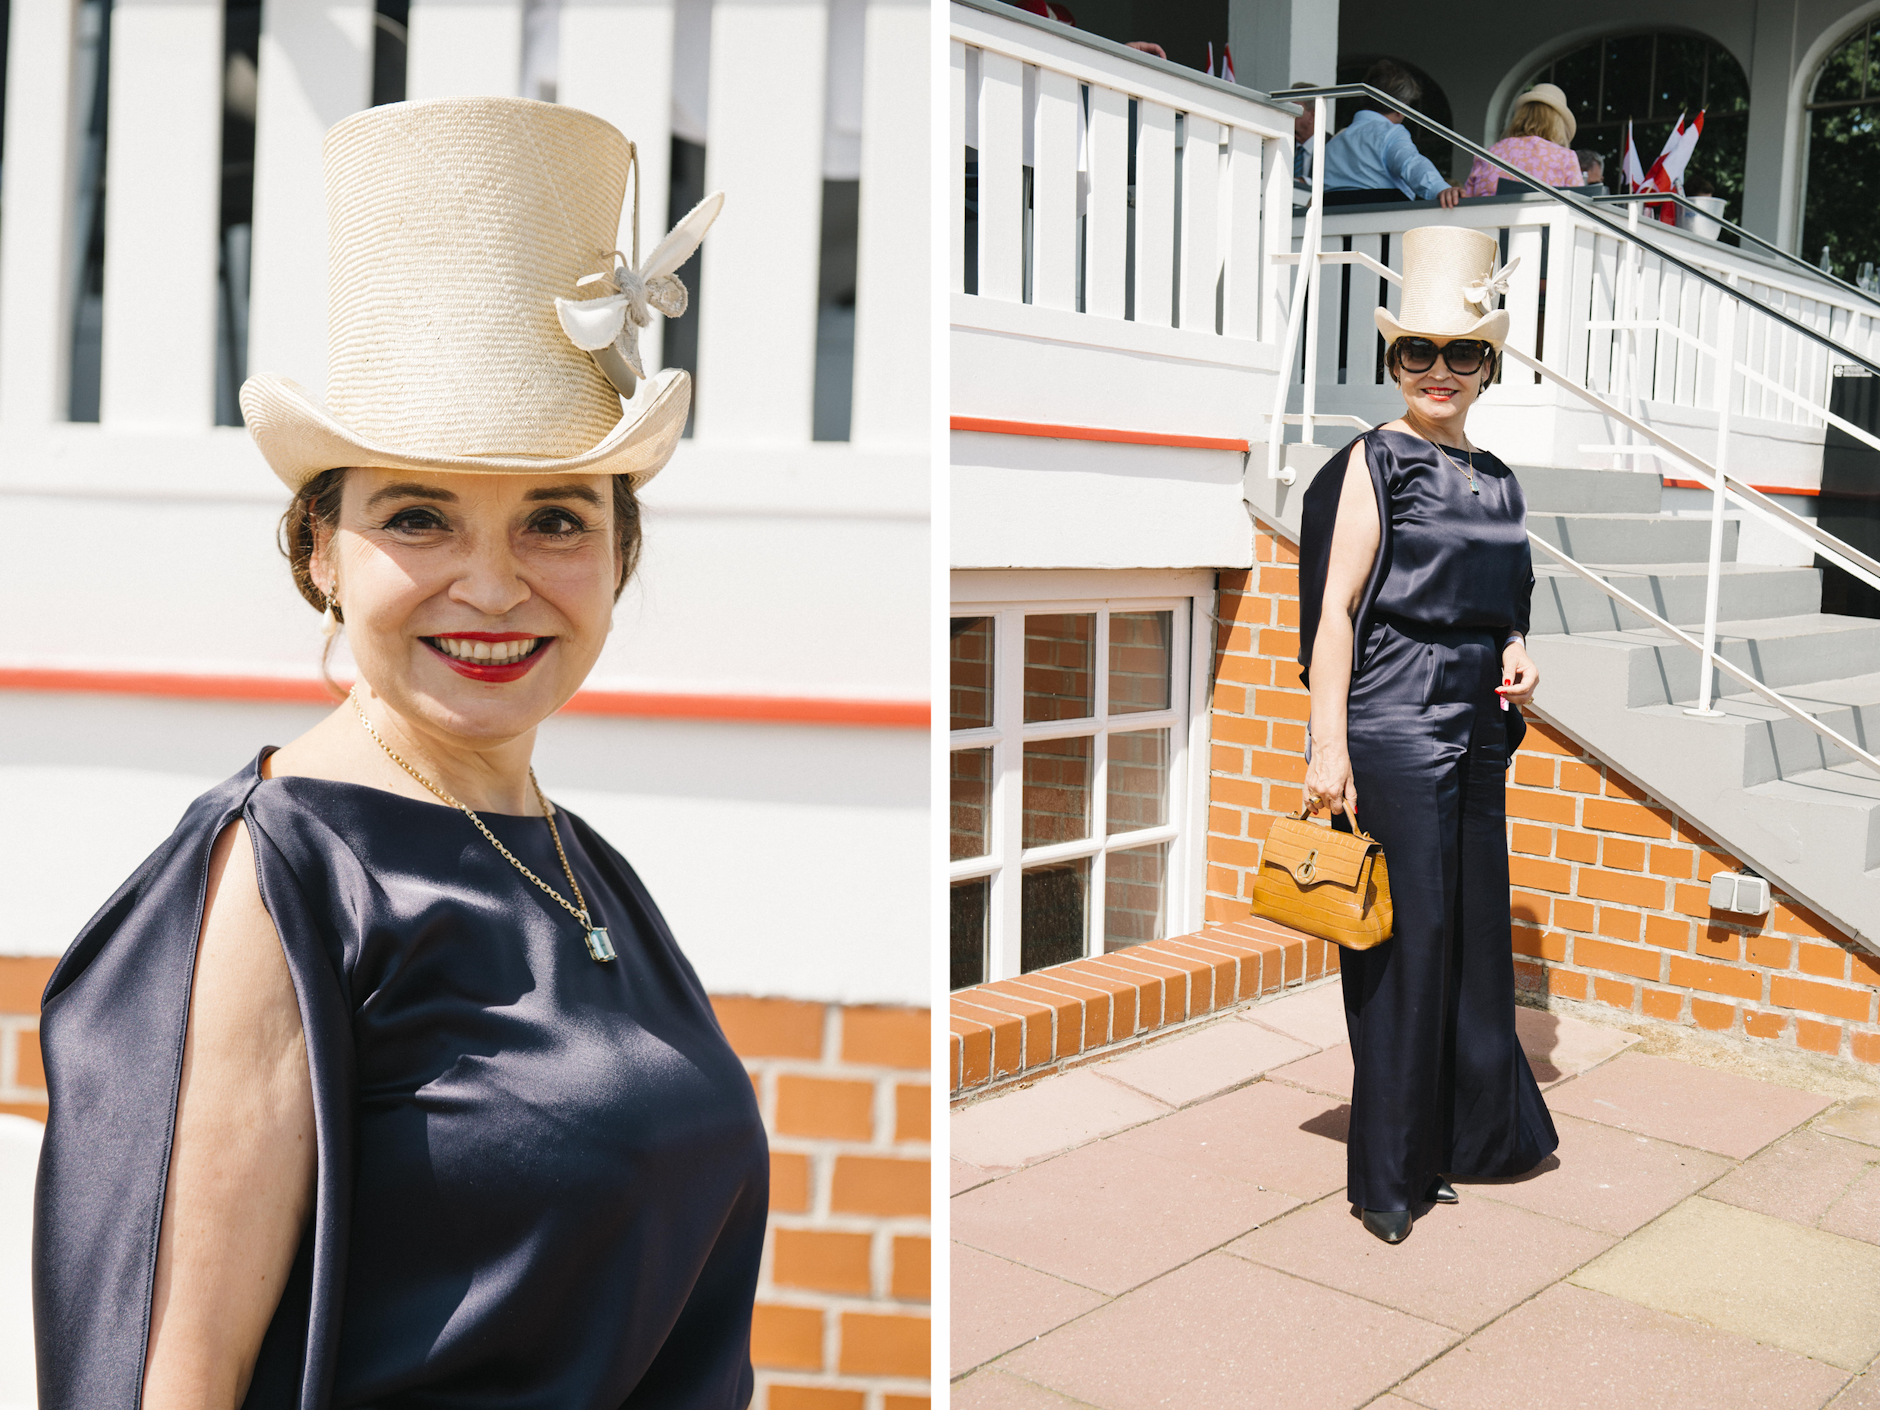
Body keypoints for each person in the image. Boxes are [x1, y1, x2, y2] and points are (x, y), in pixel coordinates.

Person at [33, 97, 771, 1406]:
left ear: (618, 553)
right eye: (419, 516)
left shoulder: (577, 859)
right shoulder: (283, 876)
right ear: (321, 547)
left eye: (553, 518)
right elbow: (175, 1373)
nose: (492, 588)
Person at [1294, 225, 1559, 1245]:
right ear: (1392, 359)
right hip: (1395, 723)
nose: (1437, 373)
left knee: (1466, 946)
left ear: (1488, 367)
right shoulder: (1372, 461)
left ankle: (1452, 1138)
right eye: (1417, 354)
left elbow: (1504, 601)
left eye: (1460, 355)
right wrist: (1329, 748)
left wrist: (1518, 648)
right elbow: (1332, 612)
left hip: (1478, 725)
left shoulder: (1496, 477)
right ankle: (1386, 1179)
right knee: (1402, 951)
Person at [1322, 60, 1463, 207]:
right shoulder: (1390, 133)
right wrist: (1440, 188)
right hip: (1380, 220)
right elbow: (1411, 164)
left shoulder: (1335, 141)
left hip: (1333, 223)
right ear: (1400, 106)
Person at [1460, 83, 1583, 197]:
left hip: (1490, 219)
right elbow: (1580, 205)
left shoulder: (1489, 153)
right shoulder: (1565, 157)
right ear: (1557, 124)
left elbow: (1468, 200)